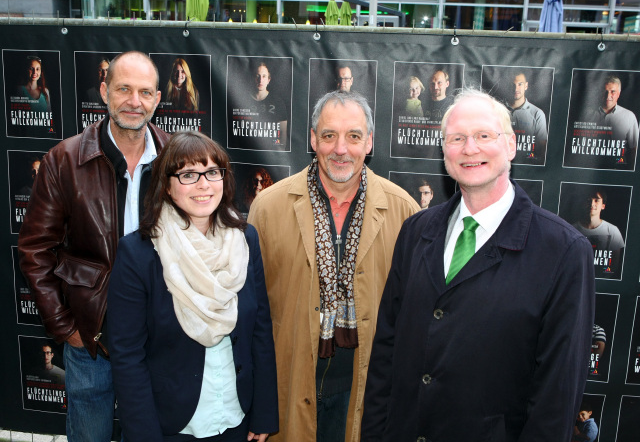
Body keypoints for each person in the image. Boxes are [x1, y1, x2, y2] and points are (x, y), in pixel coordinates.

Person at [362, 89, 595, 442]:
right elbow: (385, 355)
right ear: (444, 152)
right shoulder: (416, 230)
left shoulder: (563, 251)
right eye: (456, 138)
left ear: (512, 145)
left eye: (484, 135)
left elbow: (556, 397)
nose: (470, 148)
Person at [248, 90, 420, 442]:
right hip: (289, 388)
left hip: (364, 393)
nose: (341, 149)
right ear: (313, 140)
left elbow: (415, 318)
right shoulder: (267, 208)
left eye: (353, 136)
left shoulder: (405, 212)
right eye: (329, 136)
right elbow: (250, 316)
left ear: (369, 142)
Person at [18, 50, 170, 442]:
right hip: (90, 339)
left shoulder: (178, 158)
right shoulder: (64, 160)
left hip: (161, 337)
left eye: (144, 92)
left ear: (156, 99)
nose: (134, 101)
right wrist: (65, 327)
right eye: (123, 89)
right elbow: (35, 250)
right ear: (104, 91)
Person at [107, 131, 278, 441]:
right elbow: (127, 357)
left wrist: (264, 414)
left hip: (236, 417)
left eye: (212, 172)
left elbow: (260, 331)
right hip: (171, 424)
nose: (203, 184)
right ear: (167, 186)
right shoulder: (139, 255)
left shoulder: (246, 239)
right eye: (188, 174)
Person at [593, 75, 639, 166]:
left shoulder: (629, 116)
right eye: (605, 91)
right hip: (592, 167)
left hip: (618, 166)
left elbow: (634, 149)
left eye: (612, 91)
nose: (608, 95)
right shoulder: (587, 114)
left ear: (619, 93)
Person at [572, 188, 625, 265]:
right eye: (588, 200)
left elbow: (614, 265)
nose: (592, 204)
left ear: (603, 206)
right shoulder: (572, 229)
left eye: (596, 200)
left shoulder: (613, 231)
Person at [506, 72, 548, 163]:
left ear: (526, 86)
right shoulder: (497, 110)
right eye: (513, 85)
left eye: (520, 84)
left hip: (527, 168)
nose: (516, 88)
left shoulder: (537, 114)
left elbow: (542, 149)